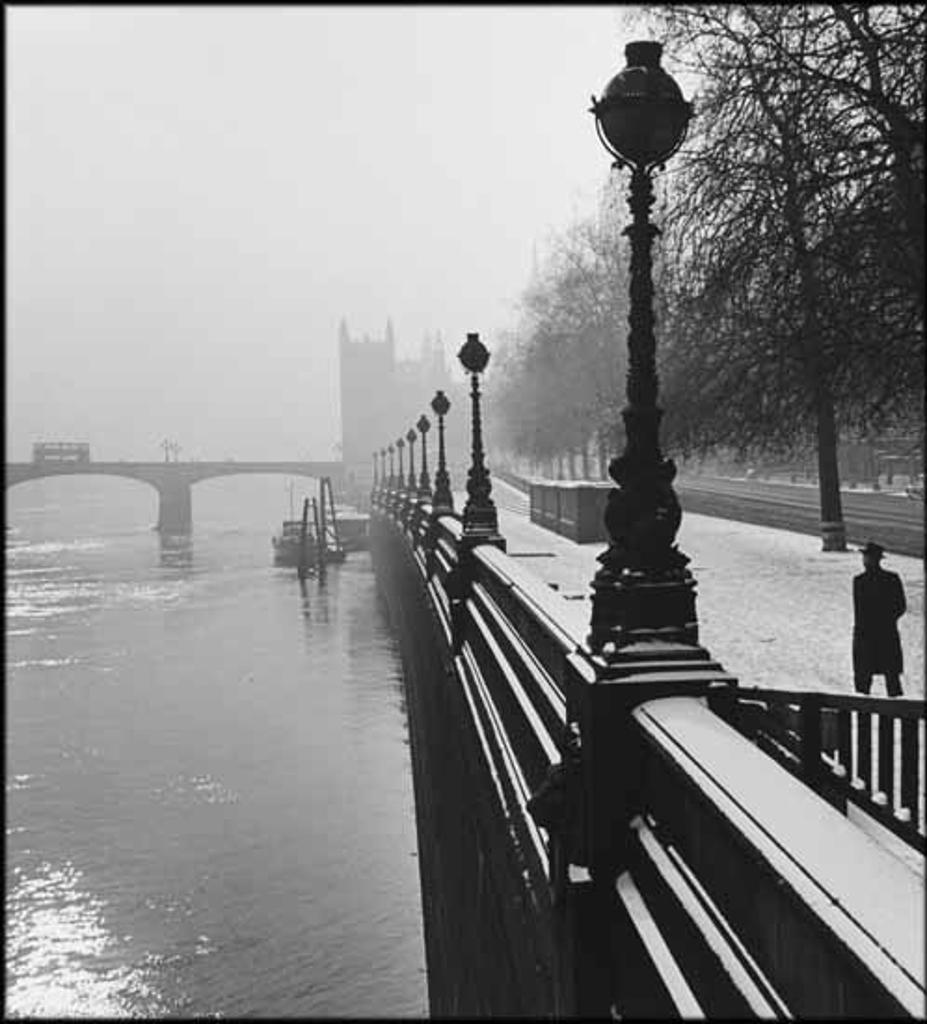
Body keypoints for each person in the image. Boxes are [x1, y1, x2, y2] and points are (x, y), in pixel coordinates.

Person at [852, 541, 907, 696]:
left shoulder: (859, 581)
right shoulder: (892, 579)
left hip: (865, 635)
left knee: (863, 679)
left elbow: (860, 611)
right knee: (892, 677)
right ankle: (898, 708)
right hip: (887, 633)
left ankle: (863, 710)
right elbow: (900, 606)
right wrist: (887, 621)